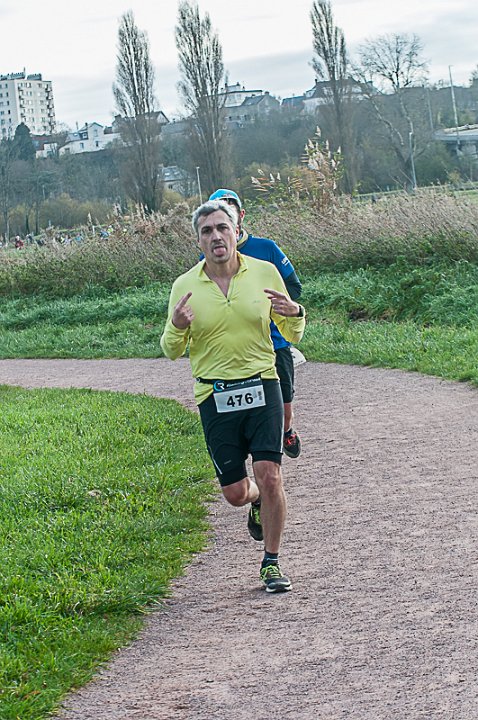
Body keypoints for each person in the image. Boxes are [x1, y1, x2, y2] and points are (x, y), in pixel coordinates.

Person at [160, 200, 306, 593]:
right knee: (235, 493)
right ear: (198, 241)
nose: (216, 236)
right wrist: (177, 326)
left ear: (236, 231)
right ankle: (255, 500)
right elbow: (171, 349)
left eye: (222, 228)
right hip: (215, 393)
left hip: (263, 383)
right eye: (207, 231)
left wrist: (294, 312)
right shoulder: (185, 286)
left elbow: (292, 334)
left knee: (270, 475)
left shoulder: (264, 272)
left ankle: (271, 563)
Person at [209, 188, 303, 459]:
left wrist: (269, 301)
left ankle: (286, 430)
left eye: (230, 211)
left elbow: (294, 288)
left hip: (275, 340)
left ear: (241, 215)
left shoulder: (266, 248)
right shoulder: (208, 258)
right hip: (238, 345)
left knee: (284, 404)